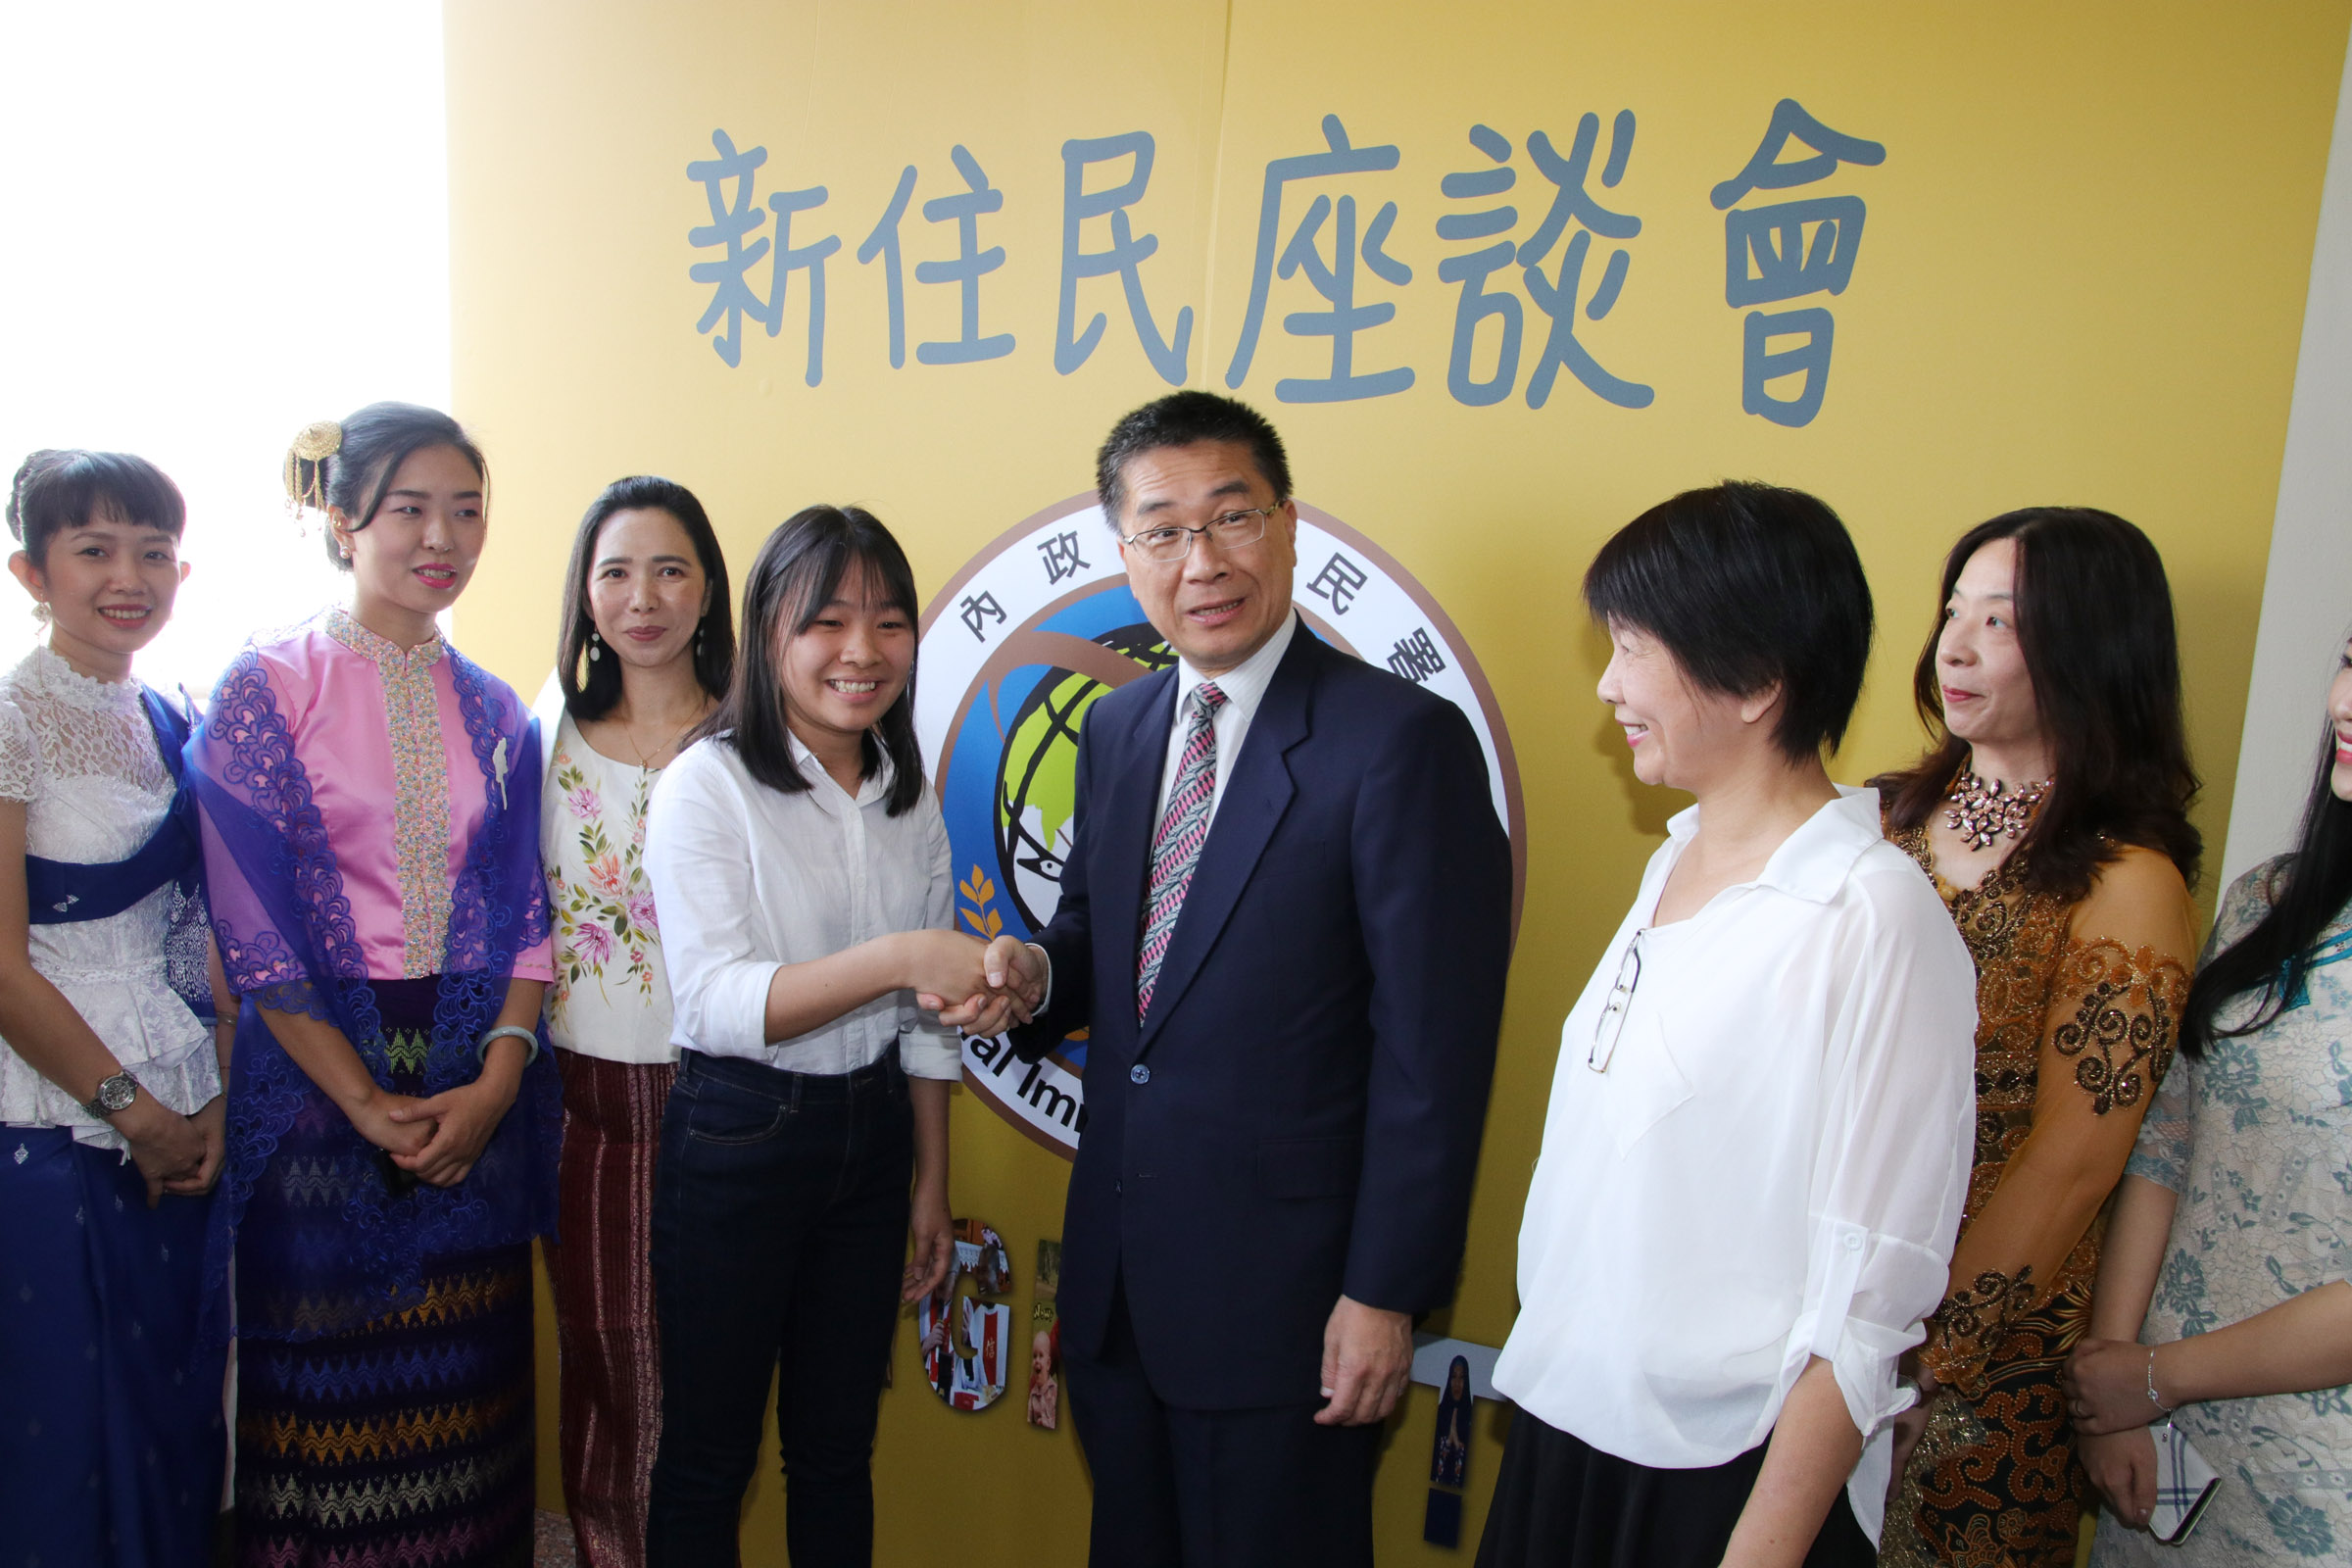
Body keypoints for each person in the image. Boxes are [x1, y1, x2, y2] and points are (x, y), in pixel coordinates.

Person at [995, 390, 1514, 1568]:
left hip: (1294, 1312)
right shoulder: (1119, 729)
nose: (1203, 561)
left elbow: (1432, 1058)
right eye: (1164, 530)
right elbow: (1093, 941)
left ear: (1289, 526)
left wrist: (1385, 1293)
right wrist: (1030, 975)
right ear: (1124, 551)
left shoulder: (1398, 742)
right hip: (1121, 1291)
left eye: (1232, 517)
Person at [1482, 482, 1978, 1568]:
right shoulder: (1675, 859)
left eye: (1634, 647)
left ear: (1757, 680)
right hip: (1572, 1433)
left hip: (1723, 1479)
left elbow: (1867, 1300)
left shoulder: (1871, 915)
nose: (1608, 683)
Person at [190, 405, 559, 1566]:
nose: (443, 536)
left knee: (470, 1405)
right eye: (411, 508)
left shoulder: (497, 710)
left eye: (467, 510)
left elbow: (528, 919)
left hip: (470, 1080)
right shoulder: (263, 687)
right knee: (325, 1401)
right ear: (344, 520)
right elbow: (256, 933)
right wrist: (360, 1099)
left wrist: (497, 1083)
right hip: (312, 1085)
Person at [641, 505, 1022, 1567]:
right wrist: (900, 956)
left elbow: (929, 1030)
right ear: (769, 631)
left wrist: (931, 1182)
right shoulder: (706, 784)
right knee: (709, 1459)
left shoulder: (905, 794)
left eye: (890, 622)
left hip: (873, 1139)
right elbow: (713, 1003)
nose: (863, 650)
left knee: (837, 1451)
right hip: (741, 1137)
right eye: (829, 622)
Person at [1872, 510, 2201, 1568]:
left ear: (2090, 649)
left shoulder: (2129, 880)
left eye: (2000, 622)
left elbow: (2072, 1162)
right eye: (1952, 613)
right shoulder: (1875, 821)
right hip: (1822, 1303)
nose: (1955, 648)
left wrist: (1920, 1361)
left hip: (1980, 1372)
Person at [2063, 632, 2352, 1563]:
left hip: (2316, 1486)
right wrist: (2110, 1385)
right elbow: (2168, 1140)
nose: (2345, 703)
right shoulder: (2270, 899)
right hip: (2163, 1453)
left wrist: (2156, 1376)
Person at [0, 449, 233, 1568]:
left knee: (170, 1401)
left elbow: (198, 929)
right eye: (93, 549)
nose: (127, 576)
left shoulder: (170, 713)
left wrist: (211, 1099)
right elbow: (2, 965)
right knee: (67, 1411)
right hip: (55, 1109)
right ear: (31, 572)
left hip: (183, 1089)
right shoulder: (10, 716)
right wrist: (133, 1112)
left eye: (152, 551)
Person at [538, 476, 735, 1568]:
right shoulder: (545, 730)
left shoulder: (759, 731)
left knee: (714, 1374)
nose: (643, 598)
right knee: (610, 1359)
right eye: (616, 572)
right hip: (590, 1100)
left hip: (739, 1095)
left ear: (708, 589)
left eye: (670, 570)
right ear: (585, 593)